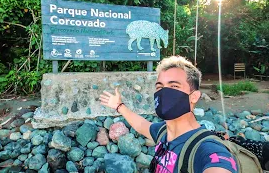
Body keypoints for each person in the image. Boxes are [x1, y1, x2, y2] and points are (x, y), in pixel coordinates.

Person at [100, 56, 238, 173]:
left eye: (174, 86)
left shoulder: (206, 148)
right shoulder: (162, 131)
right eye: (160, 87)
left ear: (194, 97)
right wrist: (119, 106)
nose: (164, 93)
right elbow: (142, 125)